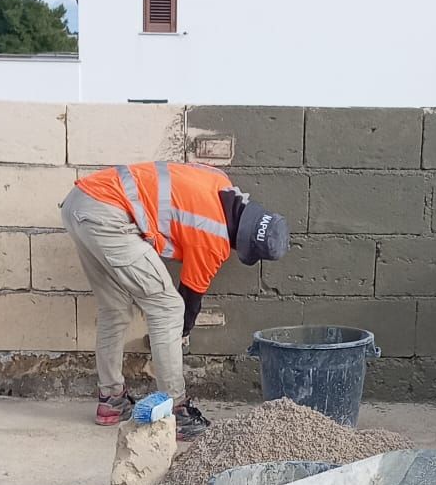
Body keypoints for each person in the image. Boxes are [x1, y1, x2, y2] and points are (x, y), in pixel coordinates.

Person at [60, 161, 290, 440]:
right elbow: (188, 300)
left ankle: (111, 400)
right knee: (168, 308)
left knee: (115, 307)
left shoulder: (219, 180)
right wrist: (176, 334)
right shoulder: (213, 238)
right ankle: (176, 410)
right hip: (110, 215)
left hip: (81, 203)